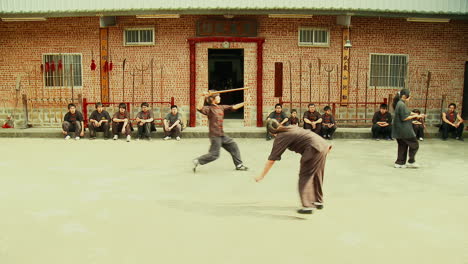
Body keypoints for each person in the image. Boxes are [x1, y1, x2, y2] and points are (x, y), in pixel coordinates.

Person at [255, 119, 332, 214]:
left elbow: (272, 159)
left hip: (313, 148)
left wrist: (262, 175)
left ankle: (307, 206)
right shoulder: (290, 127)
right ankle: (318, 201)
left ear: (270, 131)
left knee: (305, 175)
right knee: (317, 174)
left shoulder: (281, 136)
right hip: (323, 145)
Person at [192, 90, 248, 172]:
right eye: (218, 96)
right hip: (215, 135)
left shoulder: (221, 107)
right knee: (214, 154)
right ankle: (198, 161)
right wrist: (202, 96)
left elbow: (233, 107)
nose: (220, 97)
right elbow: (199, 108)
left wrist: (245, 103)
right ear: (213, 99)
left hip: (221, 135)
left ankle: (239, 165)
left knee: (233, 146)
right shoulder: (209, 109)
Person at [392, 89, 425, 168]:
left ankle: (400, 163)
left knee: (402, 145)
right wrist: (416, 116)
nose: (410, 97)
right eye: (409, 95)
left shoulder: (399, 103)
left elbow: (407, 112)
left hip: (399, 130)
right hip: (404, 130)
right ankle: (411, 161)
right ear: (404, 96)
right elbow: (404, 117)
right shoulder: (401, 104)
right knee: (414, 144)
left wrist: (416, 114)